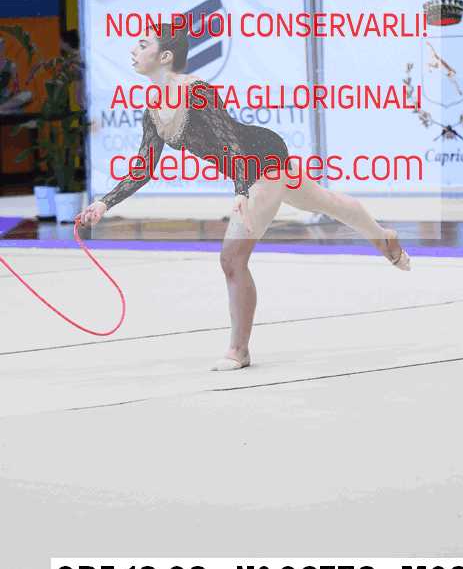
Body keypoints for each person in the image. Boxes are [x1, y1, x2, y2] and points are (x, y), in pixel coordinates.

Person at [78, 24, 410, 371]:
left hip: (258, 160)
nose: (133, 50)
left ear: (165, 56)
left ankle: (239, 350)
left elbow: (230, 142)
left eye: (143, 44)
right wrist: (104, 203)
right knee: (324, 201)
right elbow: (144, 167)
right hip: (254, 161)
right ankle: (383, 236)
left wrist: (240, 190)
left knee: (232, 258)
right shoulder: (153, 109)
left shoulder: (196, 92)